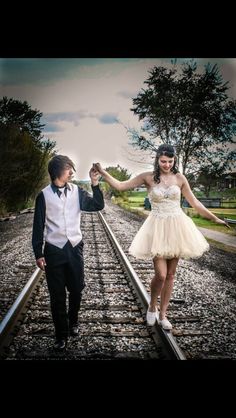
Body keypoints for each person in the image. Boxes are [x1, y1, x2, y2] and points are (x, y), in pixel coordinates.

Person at [93, 144, 229, 331]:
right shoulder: (147, 177)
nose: (166, 165)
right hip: (157, 227)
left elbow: (194, 202)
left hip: (177, 226)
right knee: (161, 274)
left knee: (171, 275)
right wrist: (103, 172)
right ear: (157, 159)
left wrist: (215, 218)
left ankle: (163, 315)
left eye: (170, 161)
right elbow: (121, 186)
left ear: (174, 161)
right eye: (163, 161)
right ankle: (152, 306)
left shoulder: (180, 178)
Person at [32, 155, 104, 350]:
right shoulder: (43, 195)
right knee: (57, 296)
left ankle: (73, 323)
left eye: (72, 168)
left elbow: (98, 205)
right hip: (54, 250)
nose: (72, 172)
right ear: (57, 172)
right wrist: (38, 253)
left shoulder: (77, 192)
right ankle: (60, 335)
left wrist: (95, 183)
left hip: (74, 248)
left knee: (77, 289)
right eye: (68, 169)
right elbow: (38, 226)